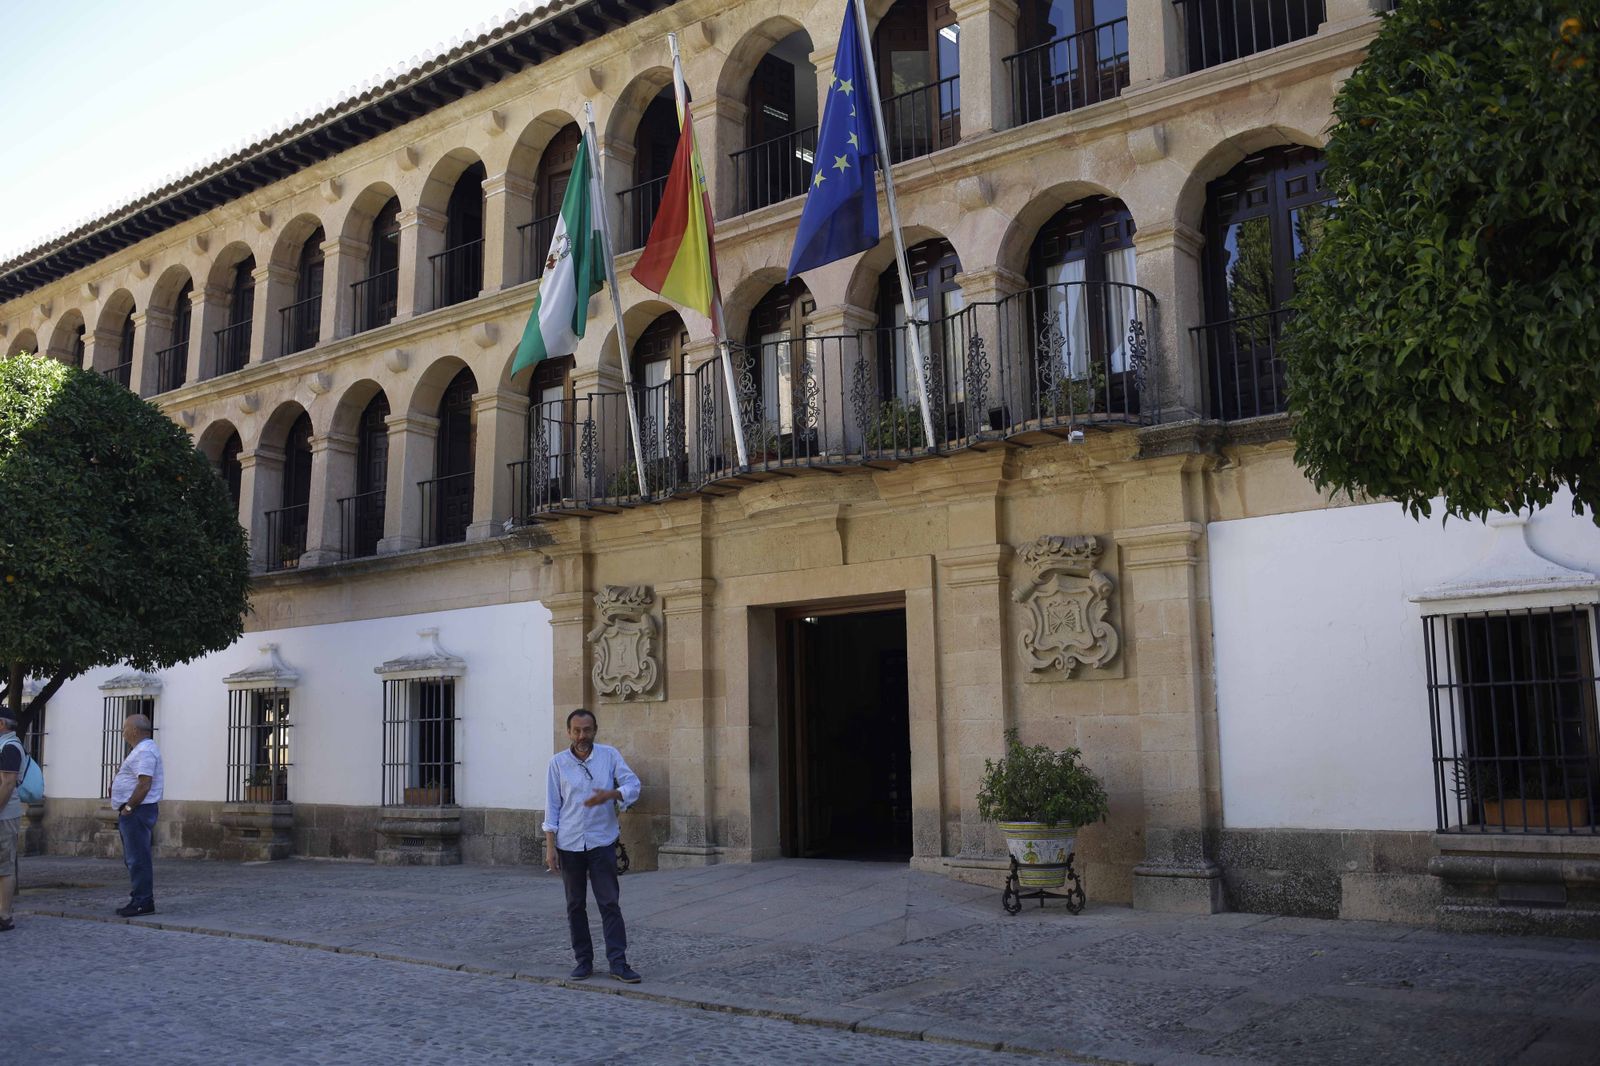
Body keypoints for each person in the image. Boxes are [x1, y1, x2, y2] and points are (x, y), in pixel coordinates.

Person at [543, 707, 642, 983]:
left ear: (595, 730)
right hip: (569, 843)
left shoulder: (609, 756)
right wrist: (550, 848)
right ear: (568, 732)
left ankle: (618, 962)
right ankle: (583, 961)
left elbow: (633, 784)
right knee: (575, 904)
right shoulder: (557, 763)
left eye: (586, 730)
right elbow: (552, 807)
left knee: (609, 902)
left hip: (602, 841)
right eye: (576, 730)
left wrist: (614, 793)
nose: (581, 735)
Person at [110, 713, 163, 917]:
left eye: (124, 728)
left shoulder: (146, 751)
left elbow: (144, 784)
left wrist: (129, 807)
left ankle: (143, 901)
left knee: (137, 857)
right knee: (134, 857)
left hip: (138, 811)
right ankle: (139, 898)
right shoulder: (140, 750)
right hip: (134, 810)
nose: (122, 733)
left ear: (134, 730)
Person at [0, 710, 23, 932]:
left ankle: (4, 916)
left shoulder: (10, 747)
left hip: (4, 815)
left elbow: (7, 784)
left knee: (4, 866)